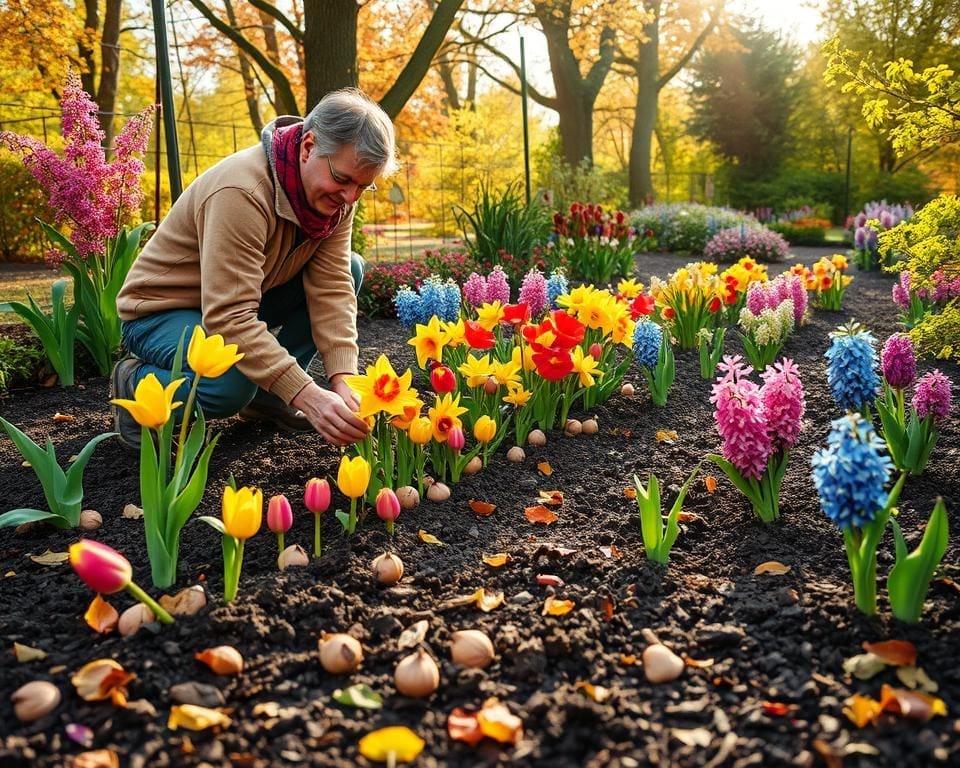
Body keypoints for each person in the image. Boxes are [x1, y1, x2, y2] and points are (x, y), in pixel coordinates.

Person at [112, 88, 397, 449]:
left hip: (236, 299)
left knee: (351, 268)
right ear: (308, 146)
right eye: (342, 179)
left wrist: (344, 378)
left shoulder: (335, 198)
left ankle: (269, 398)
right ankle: (135, 382)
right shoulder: (242, 191)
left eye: (363, 186)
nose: (350, 197)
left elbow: (333, 287)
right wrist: (307, 394)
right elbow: (230, 316)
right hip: (161, 313)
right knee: (227, 385)